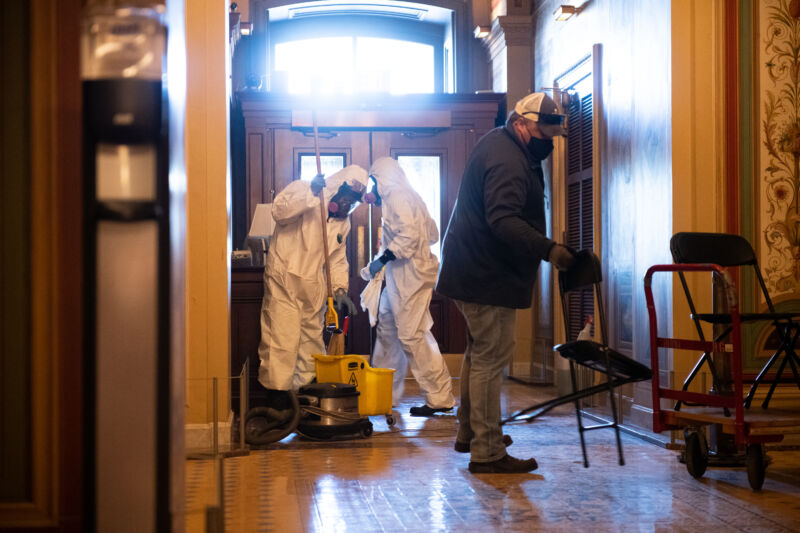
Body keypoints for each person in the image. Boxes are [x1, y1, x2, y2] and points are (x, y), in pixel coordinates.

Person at [436, 92, 576, 474]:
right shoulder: (508, 160)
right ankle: (487, 451)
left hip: (475, 270)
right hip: (486, 273)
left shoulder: (504, 145)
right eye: (542, 132)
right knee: (491, 357)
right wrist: (549, 250)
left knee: (480, 353)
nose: (547, 140)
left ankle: (472, 432)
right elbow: (503, 219)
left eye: (551, 133)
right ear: (521, 123)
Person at [257, 165, 367, 402]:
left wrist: (339, 290)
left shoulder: (343, 224)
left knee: (311, 343)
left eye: (353, 202)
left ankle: (306, 399)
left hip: (312, 286)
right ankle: (278, 401)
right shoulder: (304, 190)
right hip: (283, 280)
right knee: (280, 339)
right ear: (336, 189)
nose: (347, 206)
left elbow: (337, 258)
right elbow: (279, 211)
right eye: (346, 199)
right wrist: (310, 194)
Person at [363, 157, 456, 416]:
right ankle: (384, 392)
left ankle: (440, 397)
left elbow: (410, 237)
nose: (372, 191)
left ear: (382, 179)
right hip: (400, 275)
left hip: (411, 277)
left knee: (412, 335)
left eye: (374, 183)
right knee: (388, 327)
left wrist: (382, 258)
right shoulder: (405, 196)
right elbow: (432, 232)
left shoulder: (399, 197)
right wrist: (385, 259)